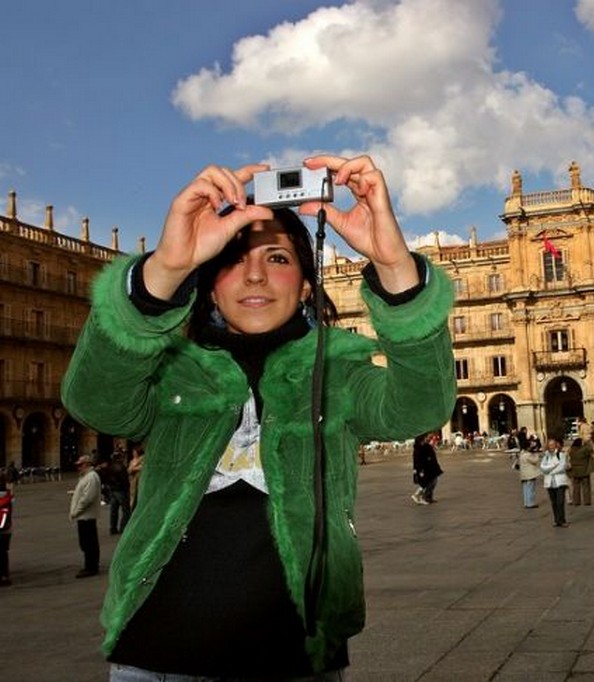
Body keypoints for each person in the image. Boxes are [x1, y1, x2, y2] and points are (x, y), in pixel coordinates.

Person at [60, 156, 456, 679]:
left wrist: (395, 267)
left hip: (295, 658)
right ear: (210, 285)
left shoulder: (337, 374)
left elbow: (422, 404)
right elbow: (94, 401)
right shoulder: (171, 374)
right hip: (154, 655)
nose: (253, 274)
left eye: (277, 258)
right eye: (232, 259)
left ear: (308, 285)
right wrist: (164, 272)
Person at [68, 455, 102, 578]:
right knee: (86, 542)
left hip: (87, 515)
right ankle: (90, 565)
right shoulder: (86, 477)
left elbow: (87, 498)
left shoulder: (91, 477)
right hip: (84, 515)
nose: (78, 467)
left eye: (80, 465)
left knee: (89, 542)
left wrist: (76, 511)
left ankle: (91, 567)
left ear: (87, 464)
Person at [540, 437, 570, 527]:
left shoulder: (561, 455)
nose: (551, 446)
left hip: (560, 482)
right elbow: (542, 468)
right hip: (549, 483)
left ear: (556, 445)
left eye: (553, 444)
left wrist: (549, 471)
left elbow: (561, 468)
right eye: (550, 445)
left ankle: (562, 520)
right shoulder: (546, 456)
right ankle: (556, 520)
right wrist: (553, 466)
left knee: (560, 501)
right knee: (553, 502)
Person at [411, 432, 443, 505]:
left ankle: (427, 497)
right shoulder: (418, 448)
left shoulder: (425, 446)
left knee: (432, 481)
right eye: (426, 437)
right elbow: (418, 461)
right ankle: (421, 496)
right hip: (425, 468)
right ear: (421, 439)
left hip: (431, 467)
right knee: (428, 482)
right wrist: (418, 470)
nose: (428, 438)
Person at [566, 437, 594, 506]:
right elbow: (591, 449)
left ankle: (576, 501)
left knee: (576, 487)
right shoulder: (584, 450)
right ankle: (587, 501)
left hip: (575, 471)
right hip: (584, 470)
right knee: (586, 487)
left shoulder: (571, 450)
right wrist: (586, 443)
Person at [0, 468, 11, 586]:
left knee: (2, 553)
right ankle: (4, 575)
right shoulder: (7, 495)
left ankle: (4, 576)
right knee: (3, 553)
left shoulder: (4, 497)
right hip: (5, 529)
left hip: (2, 529)